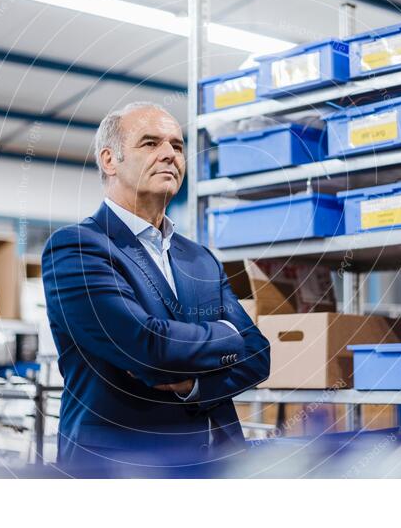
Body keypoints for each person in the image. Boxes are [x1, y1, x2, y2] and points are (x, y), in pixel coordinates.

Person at [42, 101, 270, 474]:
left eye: (177, 146)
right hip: (121, 469)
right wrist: (229, 334)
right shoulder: (79, 248)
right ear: (109, 161)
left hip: (218, 462)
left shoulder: (199, 258)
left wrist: (191, 386)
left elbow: (258, 356)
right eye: (150, 143)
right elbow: (145, 346)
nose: (169, 154)